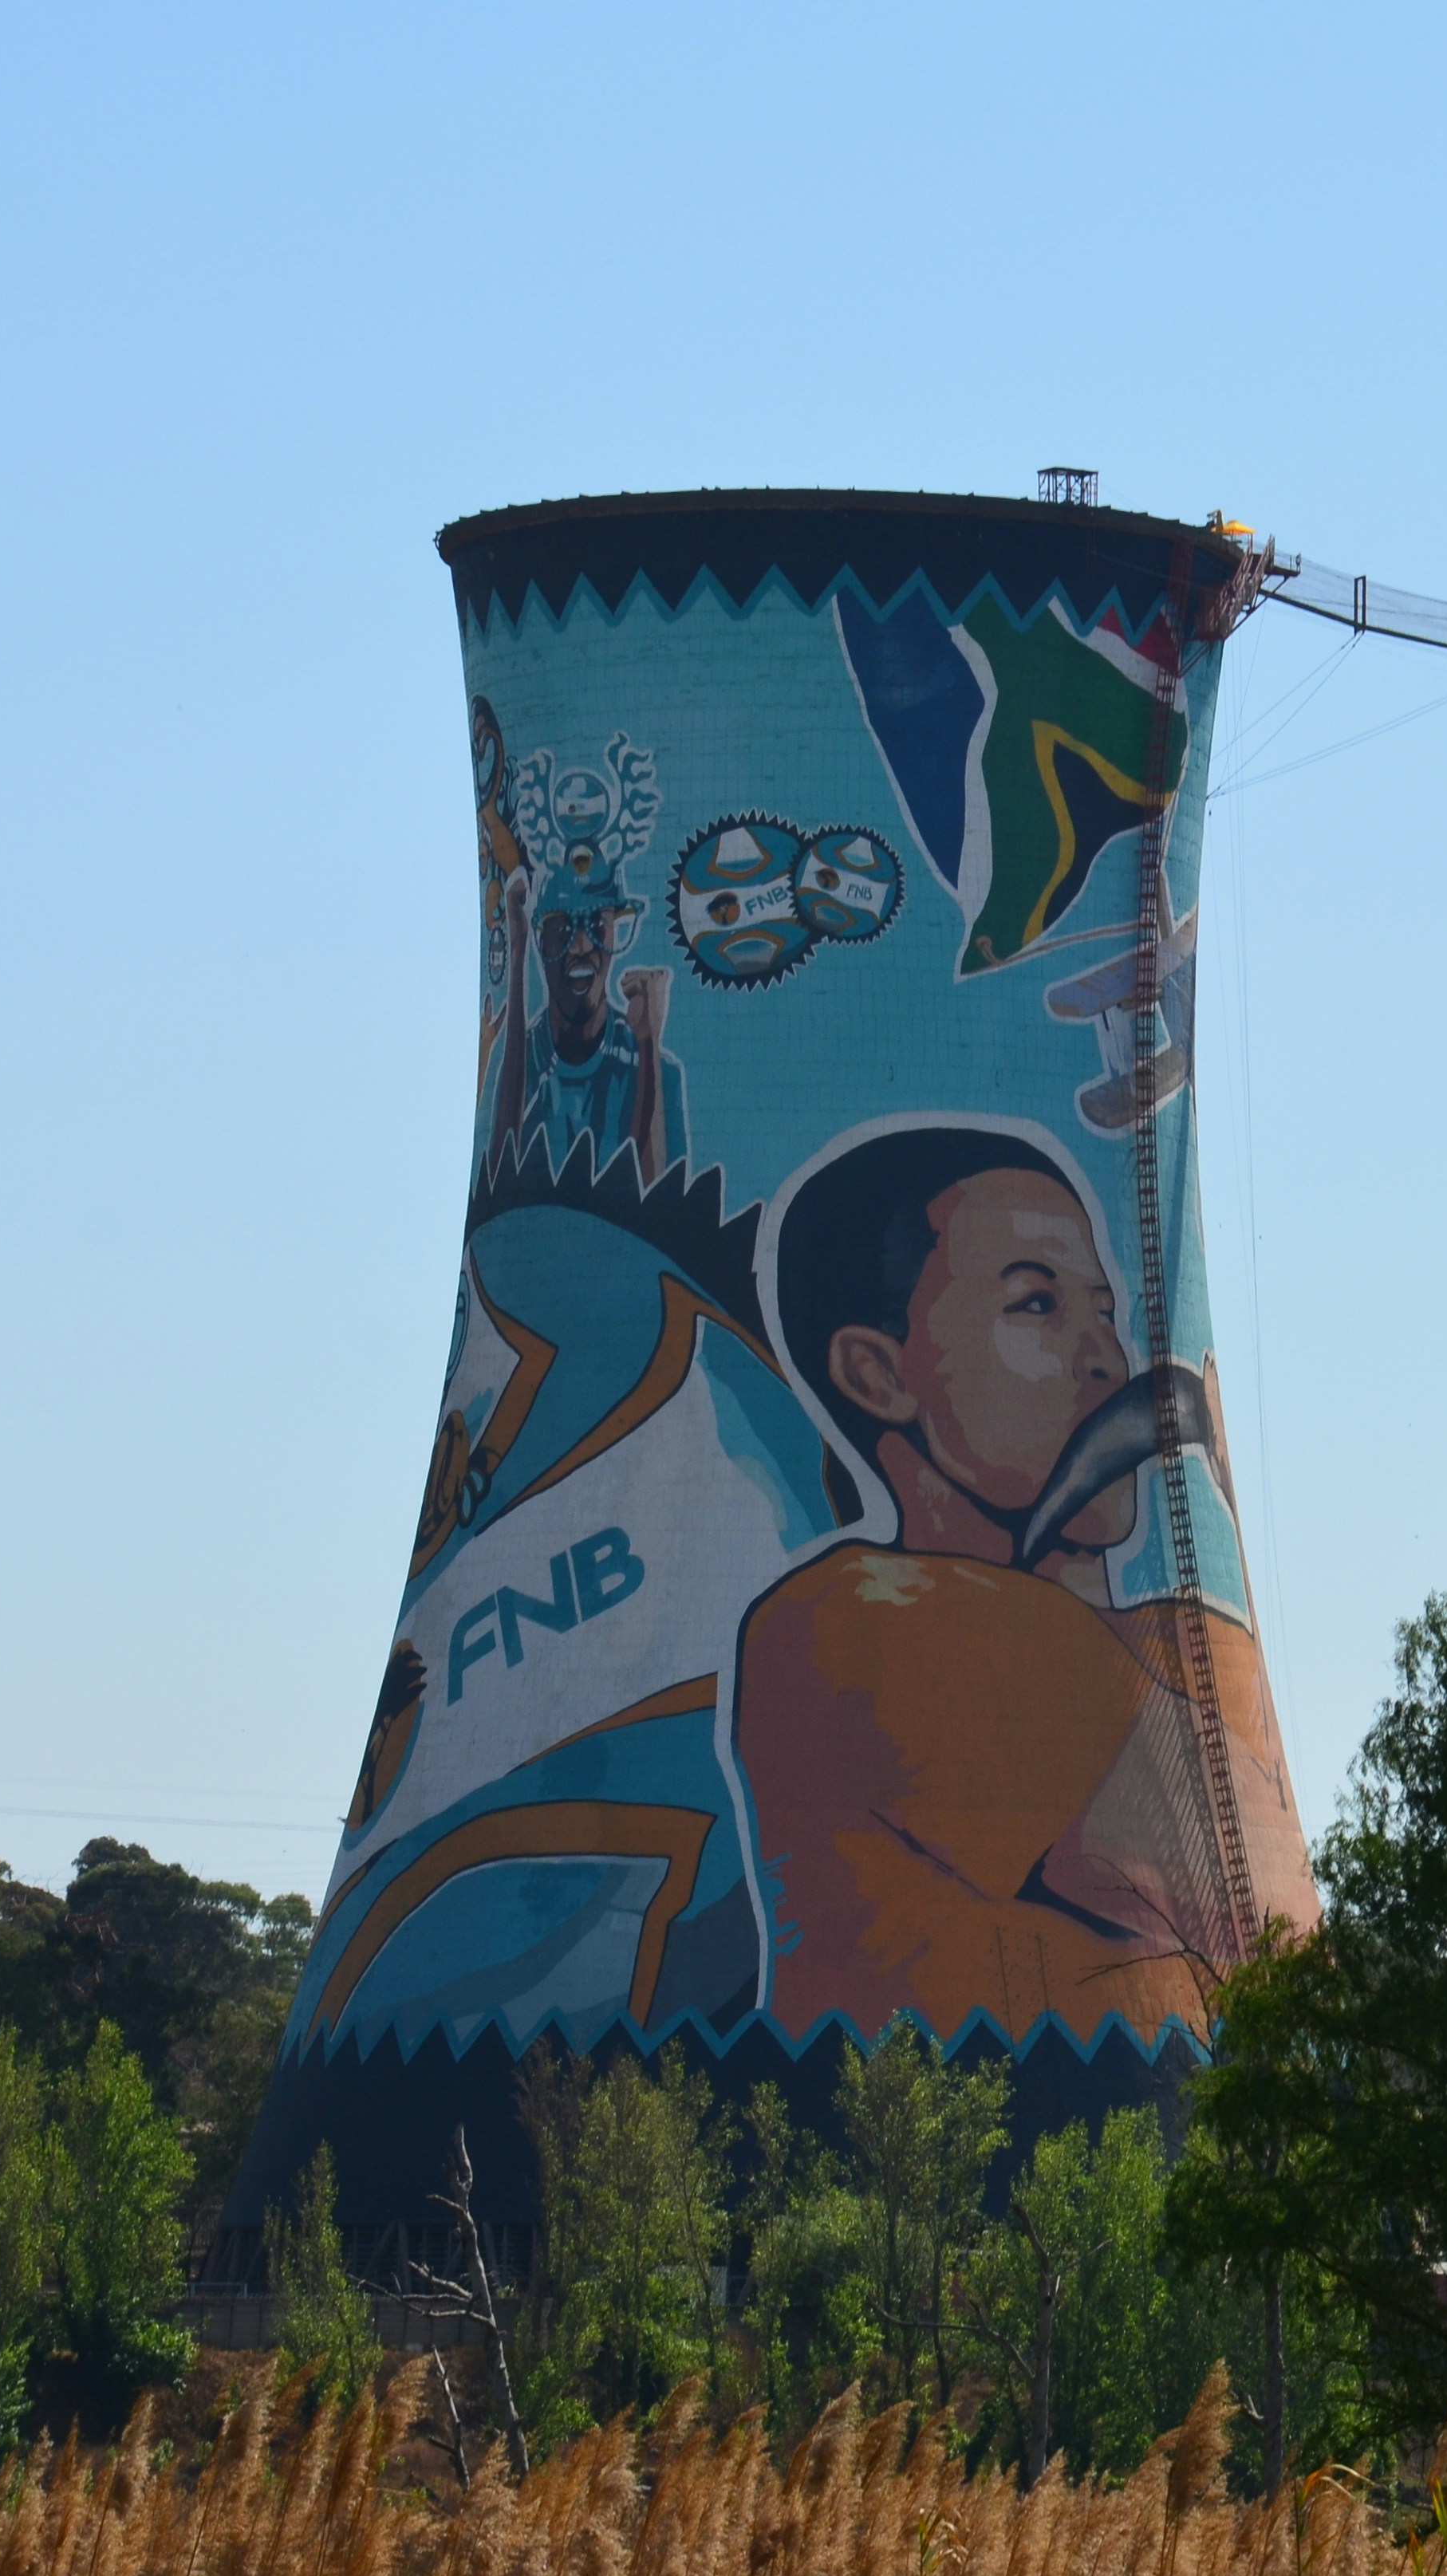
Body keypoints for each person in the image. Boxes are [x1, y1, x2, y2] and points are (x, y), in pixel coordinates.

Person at [732, 1123, 1313, 2041]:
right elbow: (1253, 1925)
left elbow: (1286, 1980)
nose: (1104, 1357)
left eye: (1102, 1311)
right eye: (1036, 1307)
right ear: (877, 1374)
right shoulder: (858, 1624)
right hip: (944, 2169)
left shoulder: (1192, 1641)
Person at [491, 842, 687, 1180]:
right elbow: (499, 1184)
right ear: (541, 941)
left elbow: (658, 1211)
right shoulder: (523, 1069)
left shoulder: (655, 1068)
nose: (580, 947)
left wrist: (648, 1045)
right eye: (563, 929)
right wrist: (517, 948)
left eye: (597, 925)